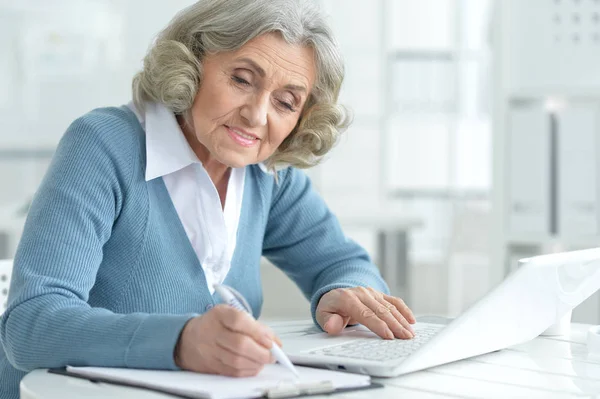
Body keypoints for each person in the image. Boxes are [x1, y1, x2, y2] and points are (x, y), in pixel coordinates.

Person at [0, 0, 416, 397]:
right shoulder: (104, 146)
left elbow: (341, 262)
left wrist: (341, 291)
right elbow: (31, 323)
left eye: (285, 102)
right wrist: (180, 343)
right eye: (241, 79)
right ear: (193, 63)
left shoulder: (268, 176)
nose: (257, 115)